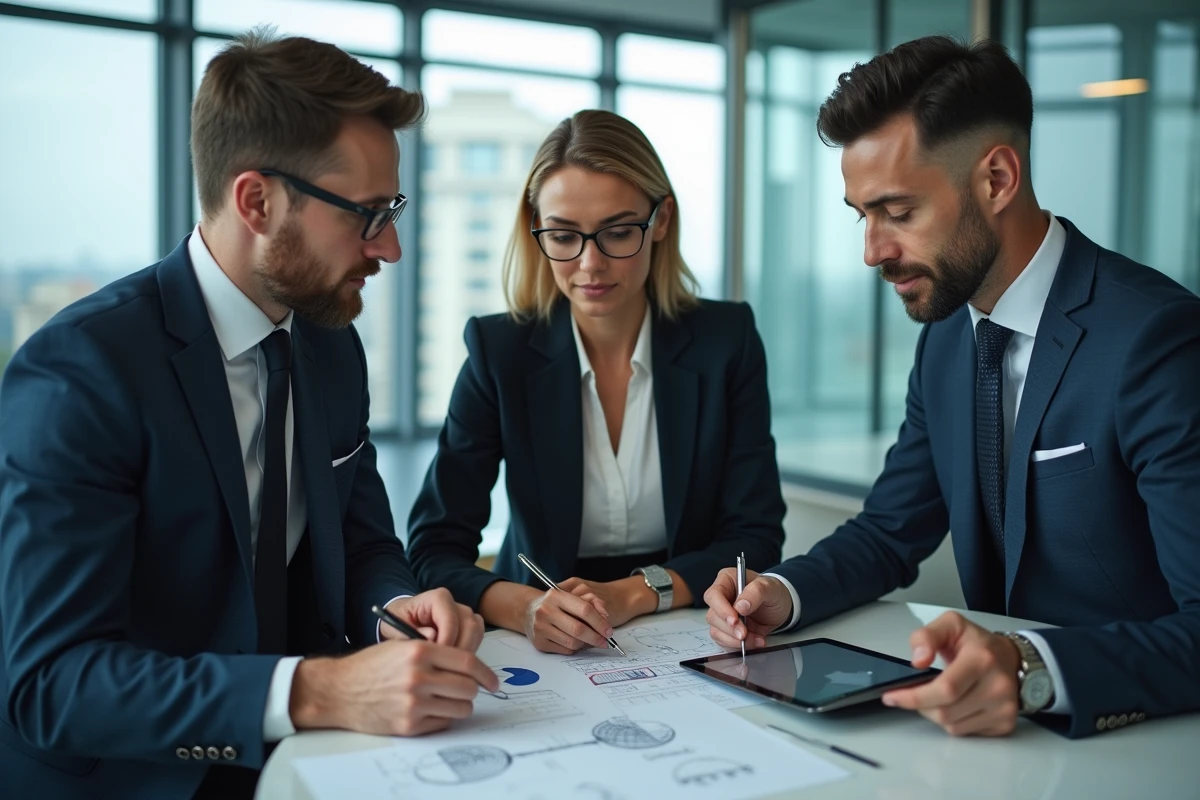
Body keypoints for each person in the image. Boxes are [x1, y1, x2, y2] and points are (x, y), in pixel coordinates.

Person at [0, 31, 498, 799]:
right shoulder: (82, 373)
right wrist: (316, 692)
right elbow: (52, 683)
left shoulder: (331, 346)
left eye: (391, 210)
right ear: (257, 201)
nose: (391, 247)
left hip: (302, 765)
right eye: (367, 214)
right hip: (136, 779)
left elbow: (364, 542)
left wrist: (396, 609)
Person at [704, 35, 1200, 739]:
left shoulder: (1157, 340)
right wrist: (778, 594)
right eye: (861, 214)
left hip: (1140, 739)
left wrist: (1030, 666)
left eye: (898, 212)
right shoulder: (946, 340)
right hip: (988, 741)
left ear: (997, 179)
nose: (872, 250)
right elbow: (888, 532)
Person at [407, 109, 785, 655]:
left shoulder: (728, 340)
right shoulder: (499, 352)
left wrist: (635, 593)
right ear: (536, 229)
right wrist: (523, 606)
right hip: (545, 634)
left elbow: (755, 537)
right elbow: (433, 547)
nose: (590, 264)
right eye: (563, 235)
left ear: (661, 221)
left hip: (690, 622)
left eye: (617, 232)